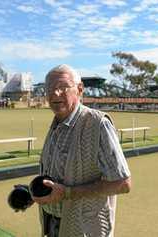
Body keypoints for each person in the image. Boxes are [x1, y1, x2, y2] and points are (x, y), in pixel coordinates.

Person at [32, 64, 131, 237]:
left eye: (63, 87)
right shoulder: (56, 124)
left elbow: (123, 184)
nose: (55, 93)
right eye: (50, 88)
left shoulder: (98, 124)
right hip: (51, 225)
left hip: (84, 229)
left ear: (79, 89)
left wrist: (68, 193)